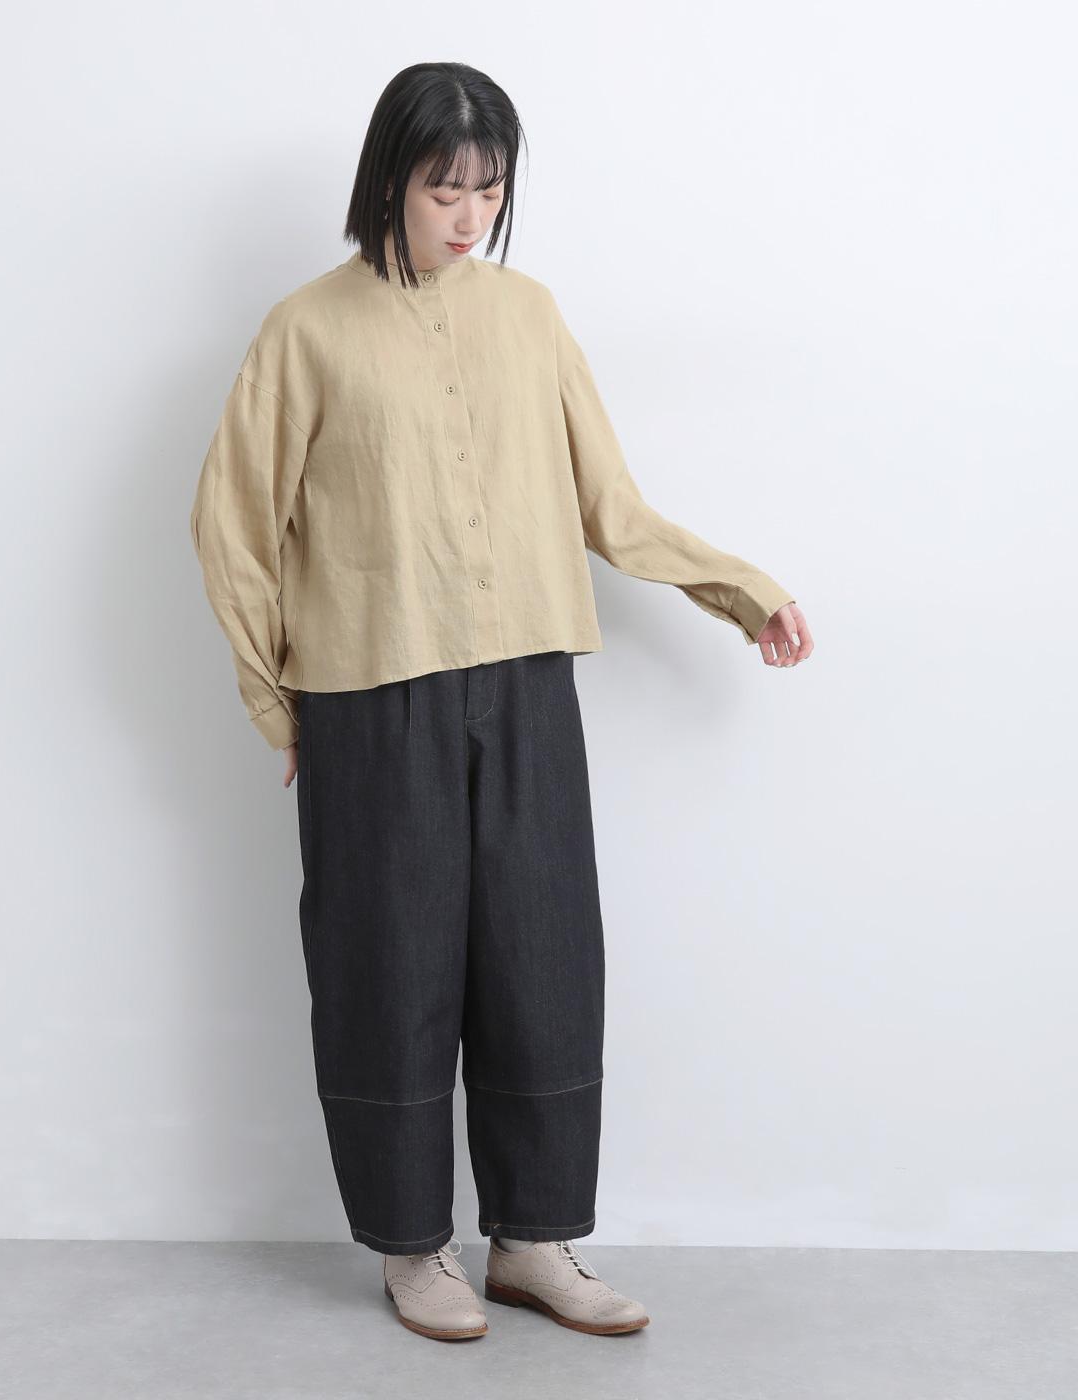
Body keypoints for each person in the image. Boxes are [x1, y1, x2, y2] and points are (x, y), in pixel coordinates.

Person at [190, 61, 813, 1344]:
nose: (468, 215)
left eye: (489, 188)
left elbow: (609, 504)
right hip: (371, 696)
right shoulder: (307, 330)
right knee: (389, 966)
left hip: (528, 681)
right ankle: (413, 1247)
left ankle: (534, 1239)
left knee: (543, 959)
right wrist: (277, 702)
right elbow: (234, 525)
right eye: (444, 188)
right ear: (389, 182)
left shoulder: (530, 317)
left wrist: (742, 590)